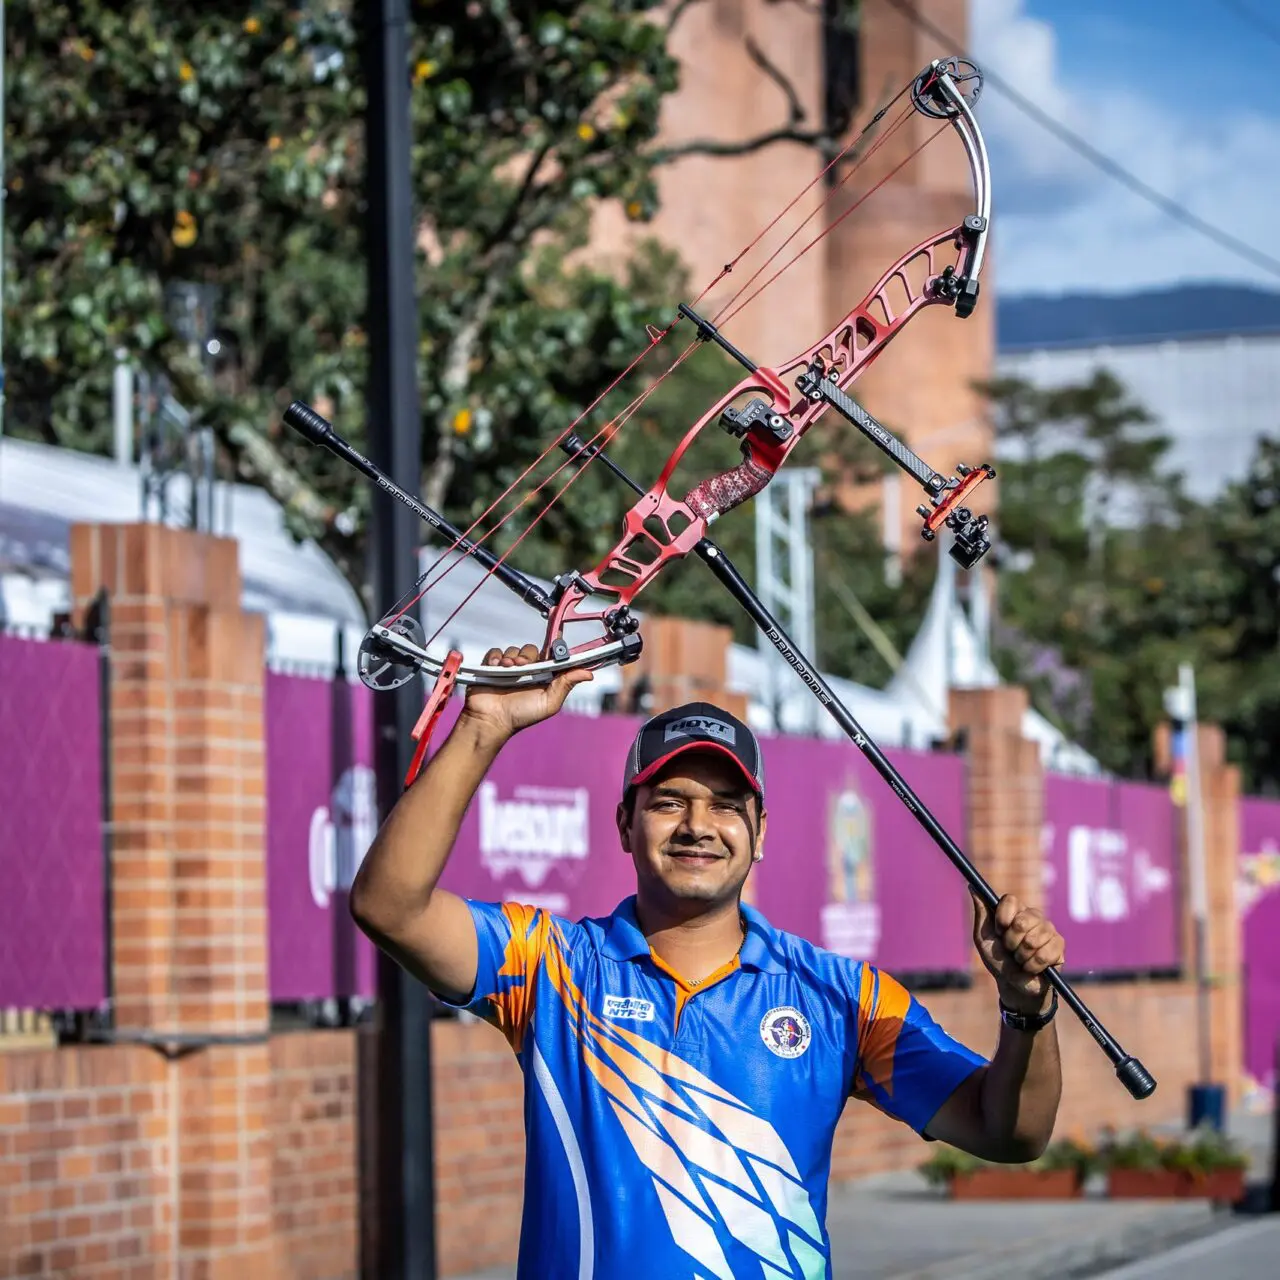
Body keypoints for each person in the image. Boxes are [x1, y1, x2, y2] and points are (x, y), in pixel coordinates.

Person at [351, 645, 1066, 1280]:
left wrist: (1026, 1010)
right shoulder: (553, 966)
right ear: (625, 824)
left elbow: (1008, 1132)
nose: (698, 826)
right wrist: (483, 728)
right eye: (669, 802)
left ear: (759, 835)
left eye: (727, 805)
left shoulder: (840, 995)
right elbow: (390, 906)